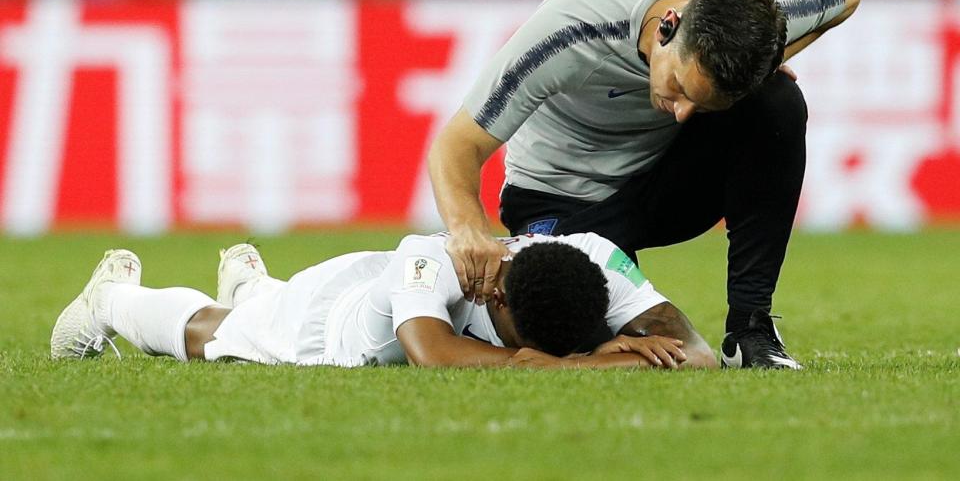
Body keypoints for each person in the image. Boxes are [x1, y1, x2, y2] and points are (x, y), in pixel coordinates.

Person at [428, 0, 862, 369]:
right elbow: (457, 143)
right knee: (571, 334)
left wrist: (769, 62)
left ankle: (750, 330)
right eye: (678, 85)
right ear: (667, 29)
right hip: (562, 204)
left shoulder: (754, 10)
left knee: (776, 103)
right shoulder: (570, 29)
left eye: (701, 103)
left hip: (661, 187)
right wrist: (468, 229)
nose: (680, 112)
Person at [50, 234, 717, 370]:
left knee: (249, 304)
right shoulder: (442, 259)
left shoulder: (592, 259)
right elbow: (431, 352)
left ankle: (250, 280)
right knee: (213, 336)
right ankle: (113, 297)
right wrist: (579, 364)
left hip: (380, 290)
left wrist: (609, 346)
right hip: (334, 323)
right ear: (499, 291)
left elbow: (698, 355)